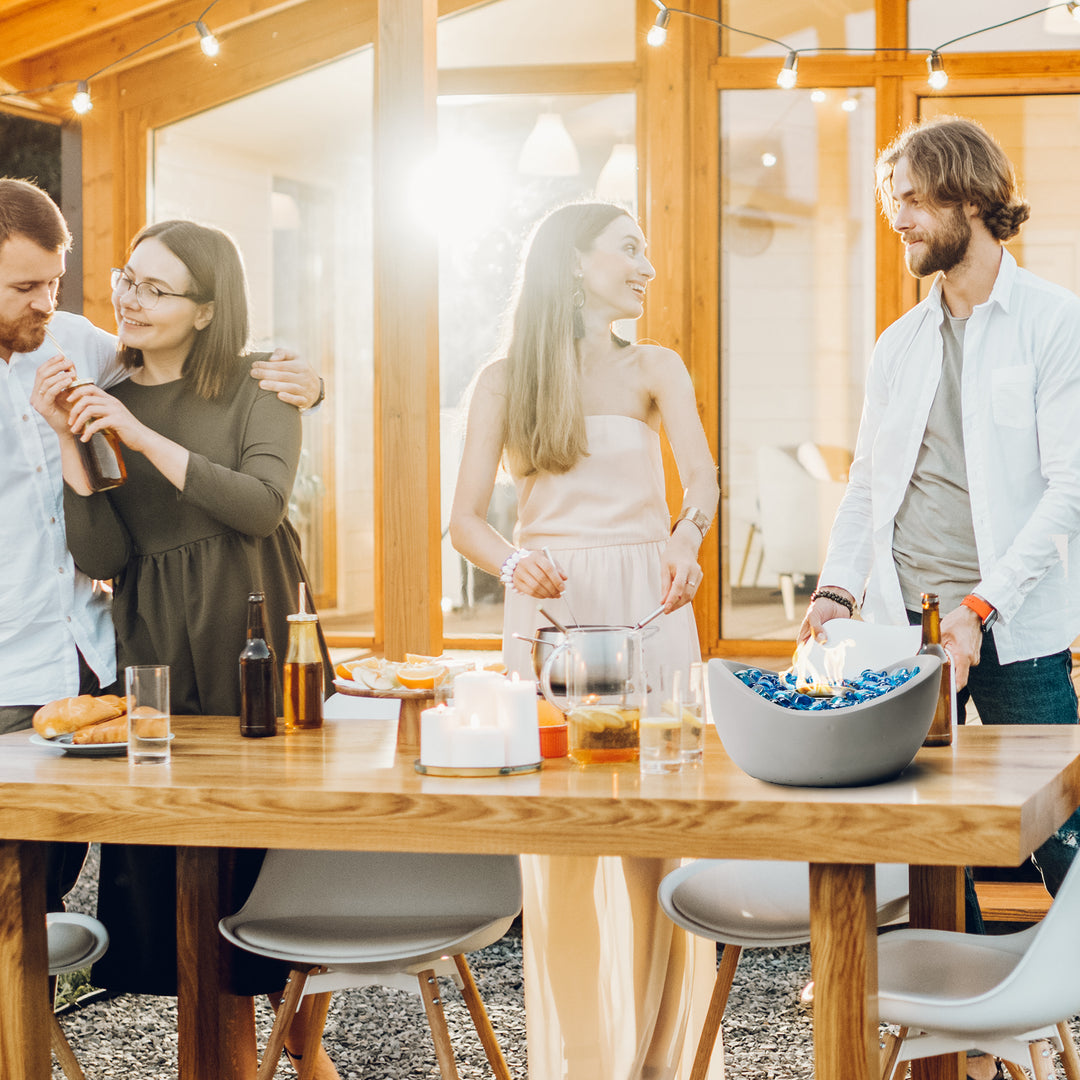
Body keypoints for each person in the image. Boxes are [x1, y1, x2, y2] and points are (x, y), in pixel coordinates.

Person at [33, 218, 337, 1078]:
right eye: (127, 278)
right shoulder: (106, 398)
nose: (130, 298)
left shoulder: (264, 383)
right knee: (190, 862)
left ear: (207, 310)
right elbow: (102, 556)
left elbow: (259, 505)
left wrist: (138, 439)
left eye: (156, 288)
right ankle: (218, 1061)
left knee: (277, 848)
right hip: (158, 638)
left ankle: (306, 1052)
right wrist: (70, 438)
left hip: (257, 622)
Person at [450, 201, 720, 1080]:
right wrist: (515, 561)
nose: (648, 266)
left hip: (651, 596)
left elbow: (703, 484)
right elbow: (465, 524)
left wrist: (686, 540)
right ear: (575, 261)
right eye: (630, 248)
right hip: (552, 605)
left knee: (658, 836)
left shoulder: (656, 367)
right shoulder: (502, 379)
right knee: (559, 843)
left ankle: (661, 1061)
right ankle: (578, 1062)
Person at [0, 177, 320, 915]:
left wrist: (310, 383)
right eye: (26, 286)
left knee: (57, 871)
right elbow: (107, 550)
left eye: (57, 281)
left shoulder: (84, 348)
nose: (49, 302)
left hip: (89, 658)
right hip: (72, 651)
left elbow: (188, 376)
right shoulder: (105, 371)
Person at [798, 118, 1080, 908]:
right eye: (894, 200)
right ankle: (968, 1013)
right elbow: (867, 489)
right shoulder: (899, 344)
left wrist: (980, 608)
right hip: (905, 638)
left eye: (915, 199)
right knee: (925, 846)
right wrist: (836, 591)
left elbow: (1070, 491)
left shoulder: (1055, 323)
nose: (898, 219)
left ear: (971, 196)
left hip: (1016, 630)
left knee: (1067, 844)